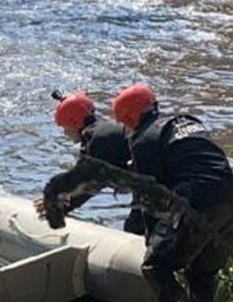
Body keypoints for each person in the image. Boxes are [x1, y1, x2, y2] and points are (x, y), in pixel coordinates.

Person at [111, 83, 233, 302]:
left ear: (129, 117)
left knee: (155, 267)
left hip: (196, 199)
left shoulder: (144, 138)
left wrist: (150, 242)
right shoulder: (186, 122)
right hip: (230, 196)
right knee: (202, 271)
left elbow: (148, 200)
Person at [34, 90, 148, 235]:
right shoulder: (101, 133)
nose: (65, 133)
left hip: (158, 181)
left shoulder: (99, 140)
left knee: (135, 228)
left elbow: (91, 185)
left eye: (64, 127)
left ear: (73, 123)